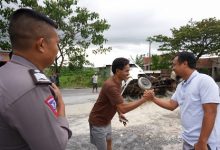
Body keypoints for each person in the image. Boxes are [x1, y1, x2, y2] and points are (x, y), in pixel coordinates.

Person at [0, 8, 72, 150]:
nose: (57, 49)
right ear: (41, 45)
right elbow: (55, 146)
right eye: (57, 43)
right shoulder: (32, 87)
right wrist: (61, 107)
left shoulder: (4, 72)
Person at [150, 52, 220, 150]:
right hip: (188, 140)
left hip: (205, 143)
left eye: (174, 64)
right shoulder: (181, 85)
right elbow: (171, 105)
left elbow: (210, 112)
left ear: (184, 63)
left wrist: (202, 142)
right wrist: (153, 98)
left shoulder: (204, 81)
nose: (173, 68)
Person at [88, 57, 153, 150]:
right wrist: (144, 99)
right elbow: (123, 107)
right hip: (98, 122)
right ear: (118, 71)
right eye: (126, 71)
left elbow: (117, 102)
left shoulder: (119, 82)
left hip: (107, 120)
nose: (129, 73)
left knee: (109, 142)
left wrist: (119, 113)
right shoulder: (111, 86)